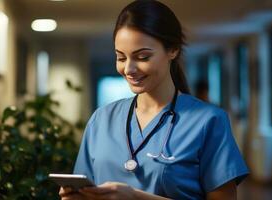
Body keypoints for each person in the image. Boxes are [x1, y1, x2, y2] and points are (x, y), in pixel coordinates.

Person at [59, 0, 249, 199]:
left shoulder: (208, 121)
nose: (129, 69)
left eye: (142, 57)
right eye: (121, 58)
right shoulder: (101, 119)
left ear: (173, 50)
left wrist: (136, 197)